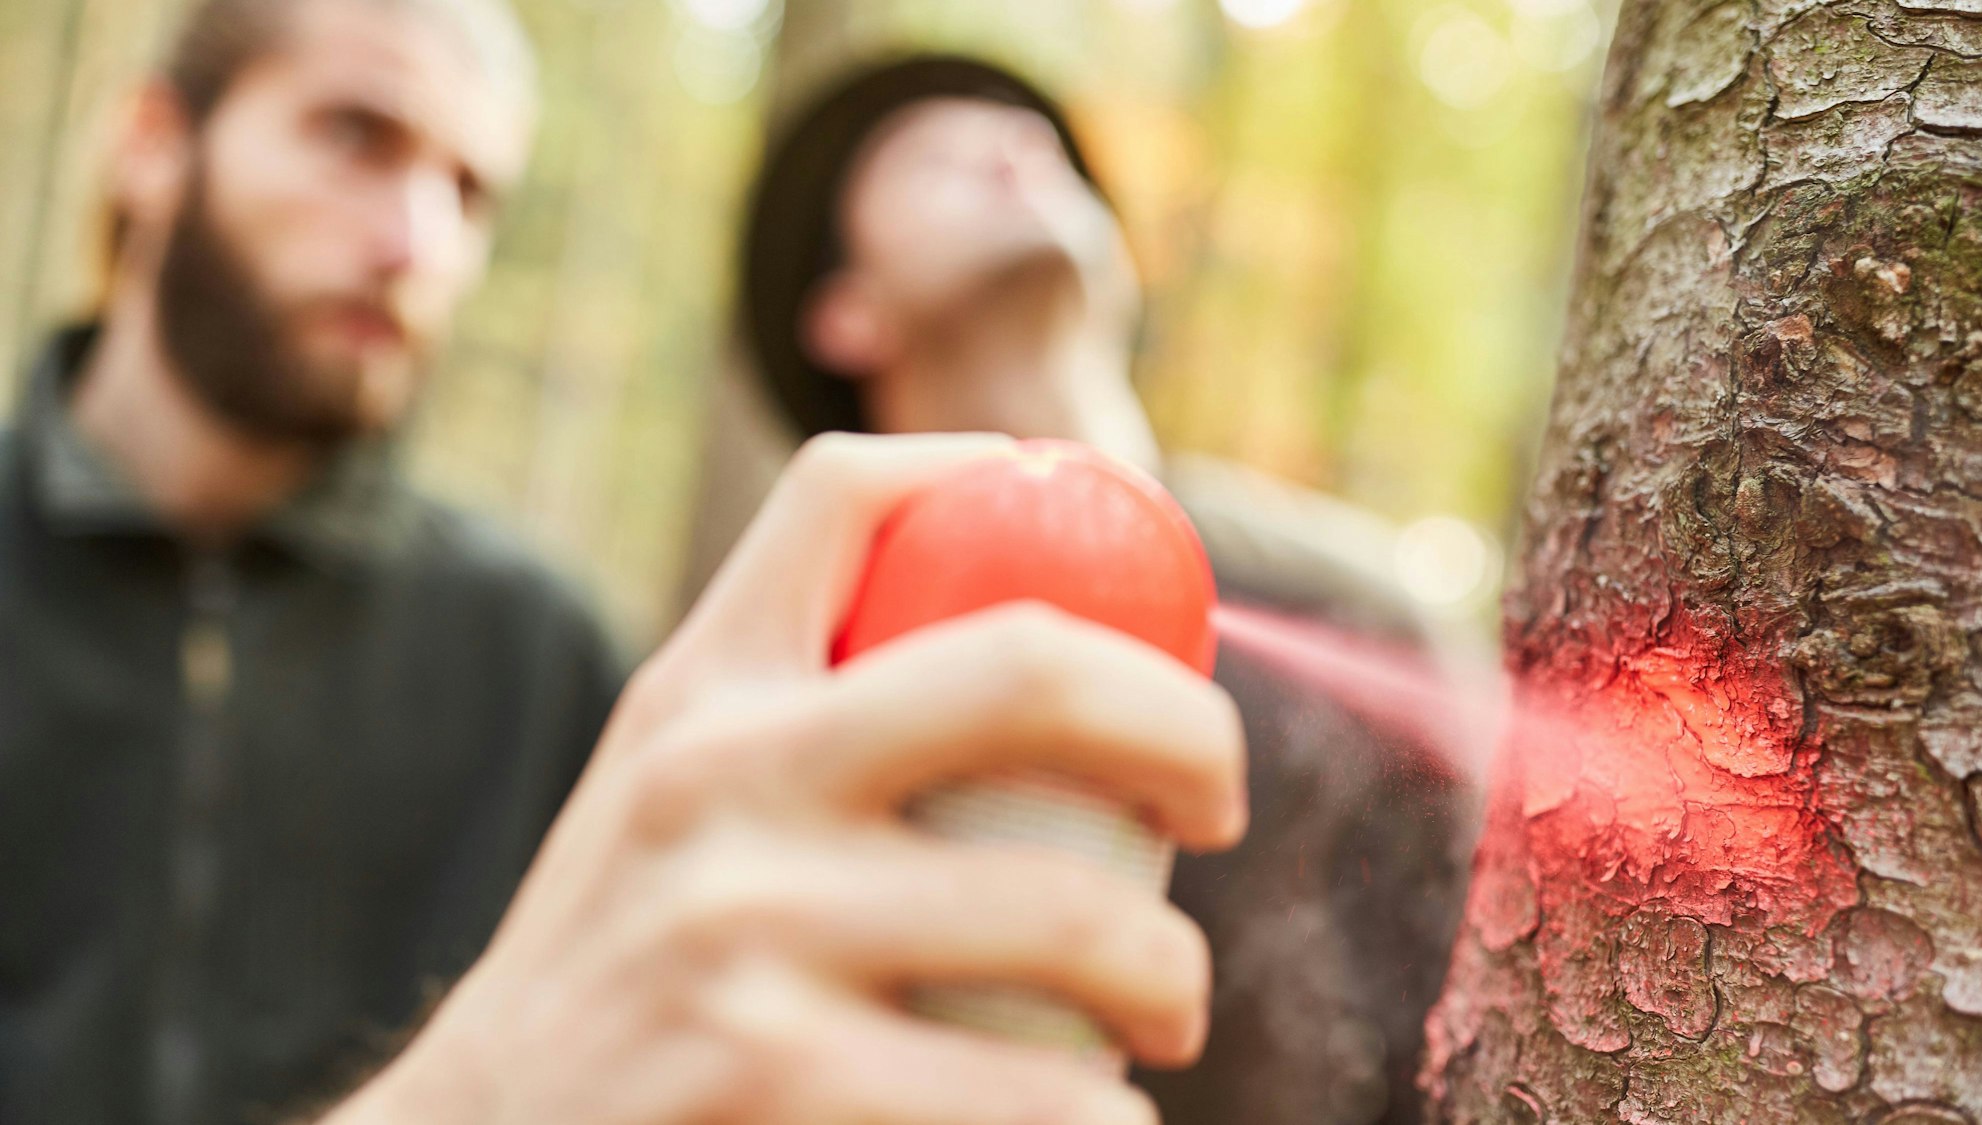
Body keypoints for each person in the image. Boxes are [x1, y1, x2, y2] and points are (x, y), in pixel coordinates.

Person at [1, 4, 1245, 1122]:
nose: (416, 240)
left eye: (471, 193)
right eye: (356, 136)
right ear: (156, 143)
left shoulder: (546, 658)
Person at [737, 55, 1481, 1123]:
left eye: (1045, 153)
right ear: (842, 313)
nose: (1012, 150)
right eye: (935, 159)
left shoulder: (1363, 608)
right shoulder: (785, 664)